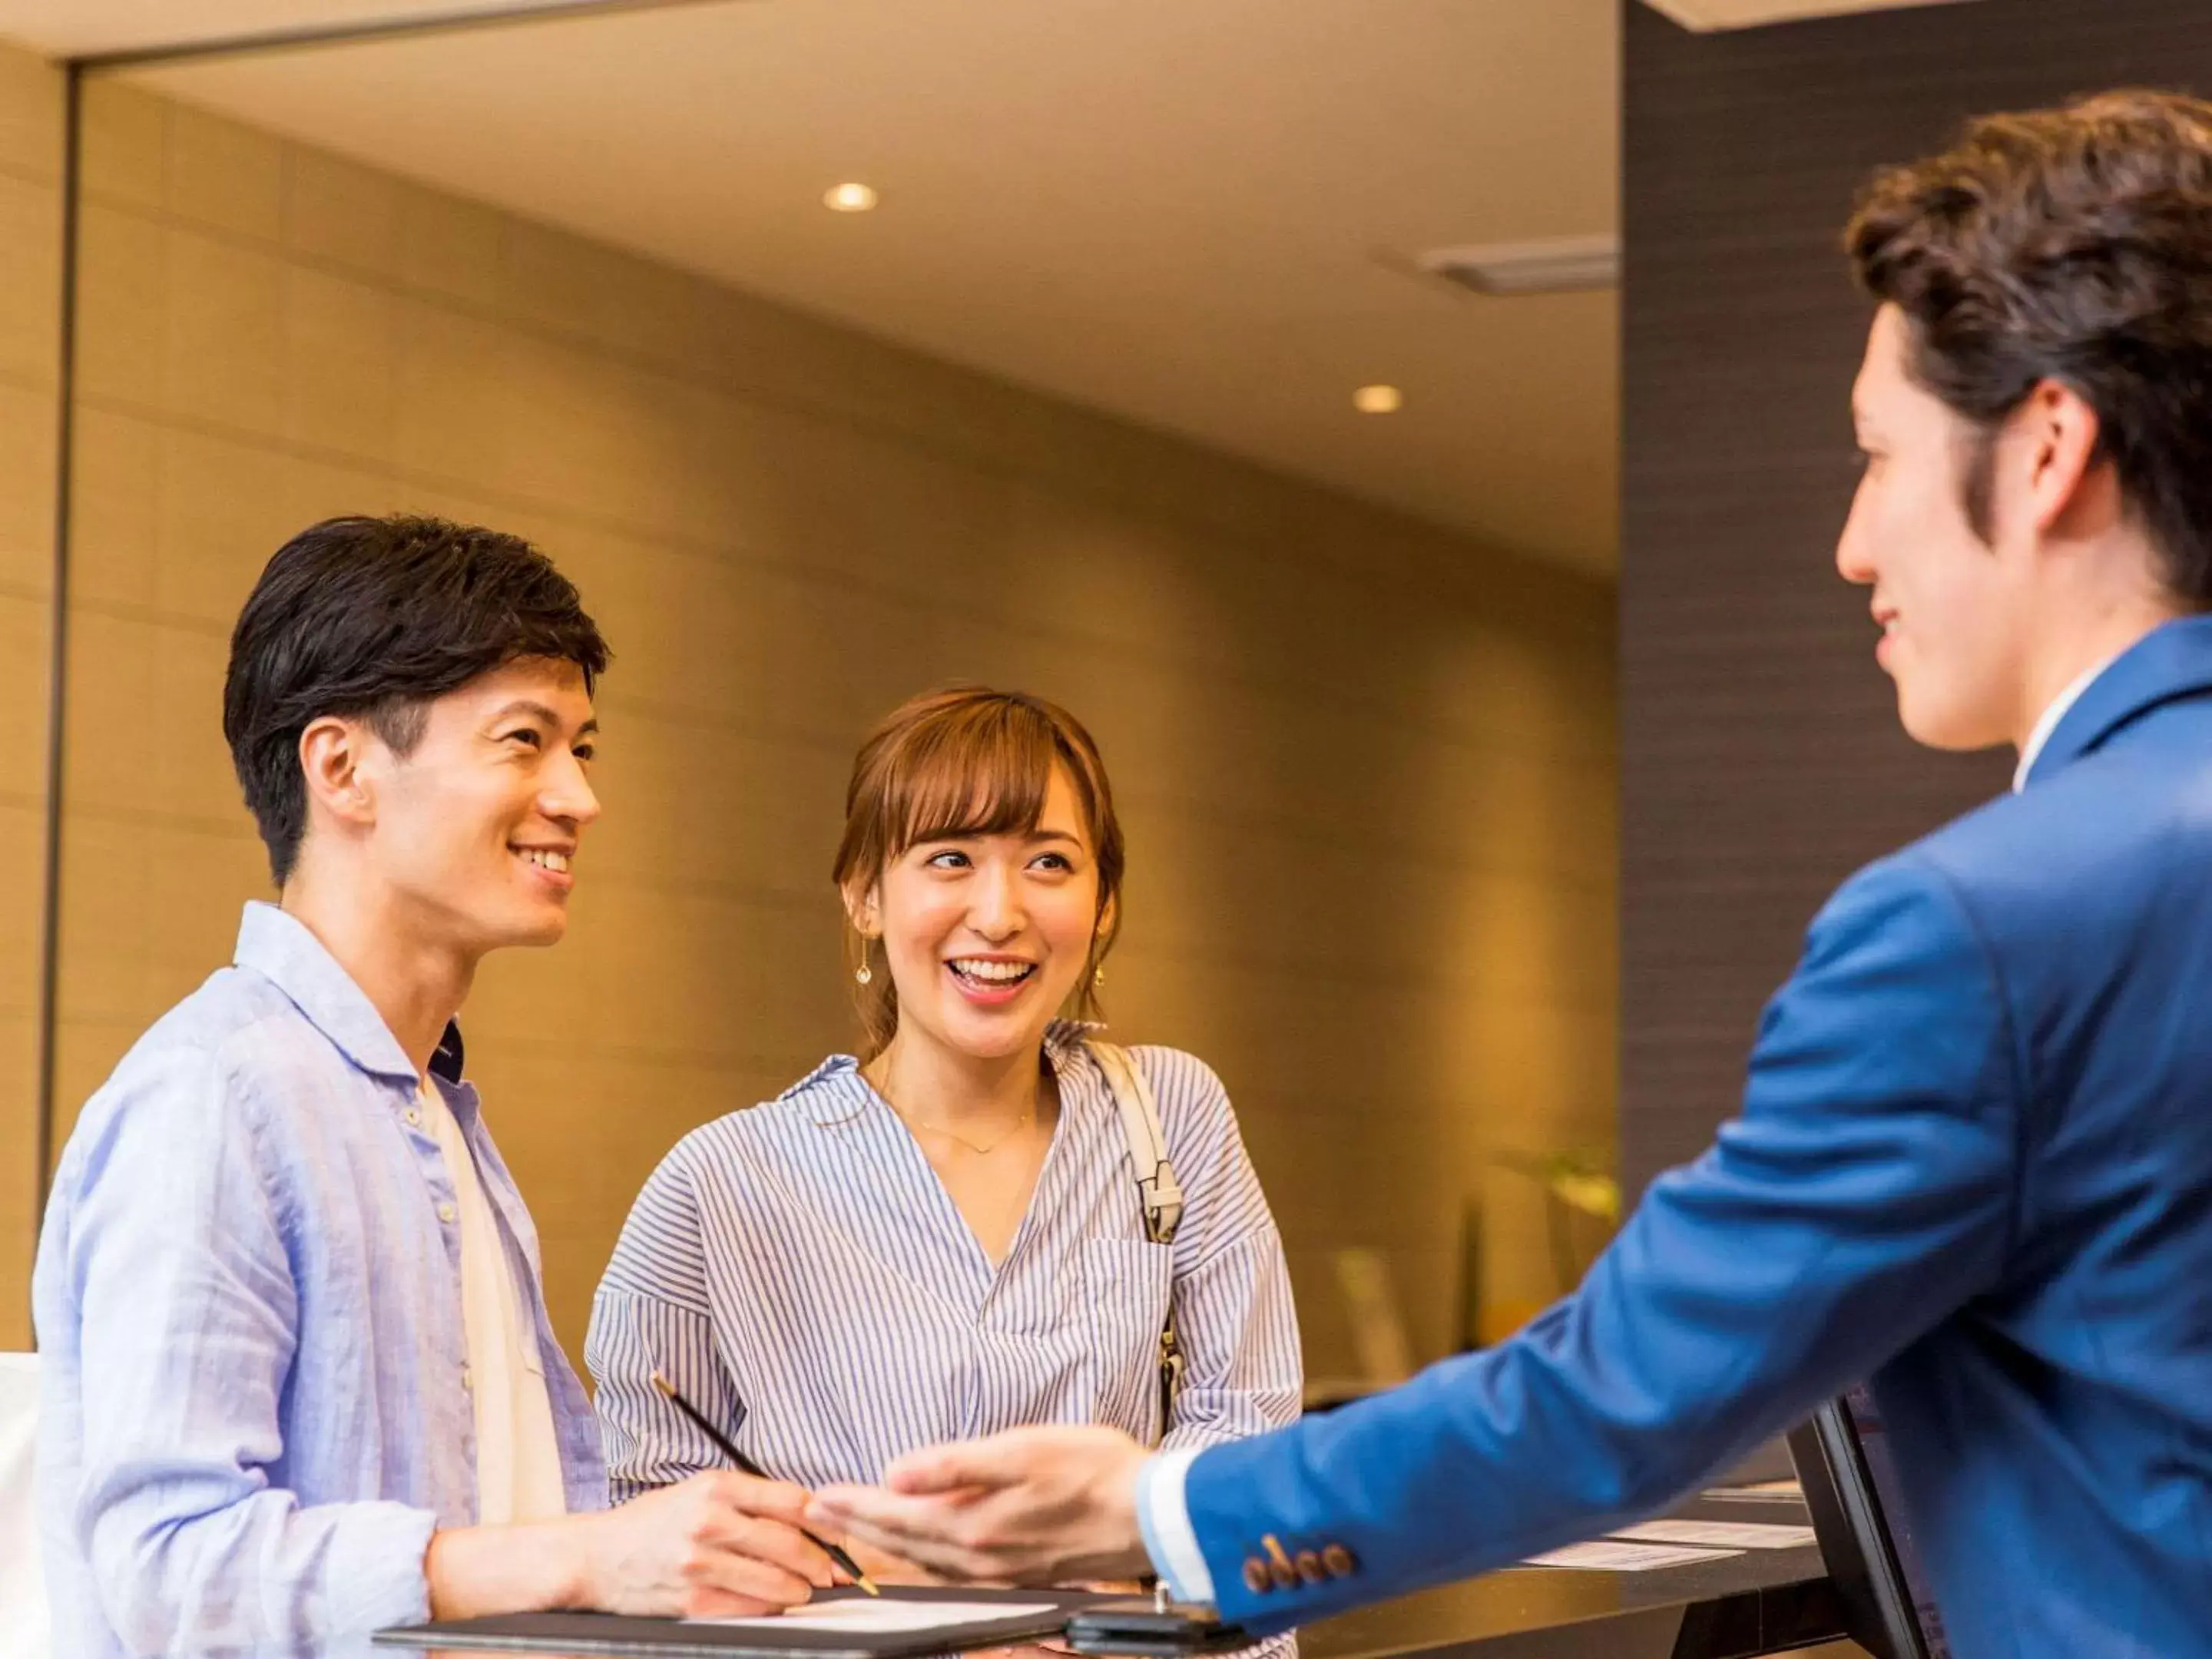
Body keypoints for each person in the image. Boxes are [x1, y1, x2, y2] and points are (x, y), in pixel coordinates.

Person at [806, 91, 2212, 1658]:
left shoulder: (1977, 929)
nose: (1853, 544)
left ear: (2048, 452)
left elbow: (1622, 1391)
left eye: (1879, 458)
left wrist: (1158, 1513)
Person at [35, 516, 839, 1657]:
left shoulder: (430, 1109)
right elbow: (171, 1571)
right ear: (343, 768)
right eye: (526, 741)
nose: (579, 798)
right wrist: (586, 1557)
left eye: (584, 749)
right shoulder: (216, 1098)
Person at [586, 687, 1301, 1588]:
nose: (999, 914)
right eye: (950, 858)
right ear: (864, 896)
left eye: (1048, 863)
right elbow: (654, 1528)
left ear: (1104, 903)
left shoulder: (1169, 1116)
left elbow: (1248, 1446)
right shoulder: (720, 1182)